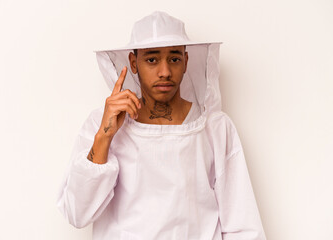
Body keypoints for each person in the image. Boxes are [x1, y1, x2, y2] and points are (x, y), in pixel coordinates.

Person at [57, 11, 266, 240]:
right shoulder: (101, 124)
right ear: (133, 63)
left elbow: (242, 224)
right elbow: (77, 214)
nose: (164, 72)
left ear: (186, 62)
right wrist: (105, 136)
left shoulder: (216, 129)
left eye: (174, 59)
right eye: (152, 59)